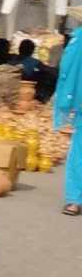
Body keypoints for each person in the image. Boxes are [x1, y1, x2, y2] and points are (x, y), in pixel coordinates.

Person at [55, 33, 82, 216]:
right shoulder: (79, 40)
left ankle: (74, 200)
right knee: (79, 150)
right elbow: (69, 67)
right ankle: (74, 199)